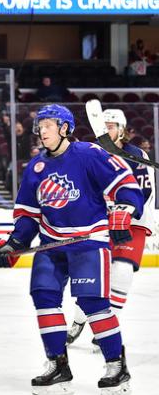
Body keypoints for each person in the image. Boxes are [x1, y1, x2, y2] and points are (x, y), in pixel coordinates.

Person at [0, 104, 144, 394]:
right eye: (40, 125)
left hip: (88, 241)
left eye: (48, 125)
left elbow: (125, 183)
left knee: (92, 303)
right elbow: (27, 215)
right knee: (43, 297)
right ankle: (58, 365)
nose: (41, 130)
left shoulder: (88, 153)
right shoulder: (37, 167)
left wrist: (123, 210)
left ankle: (116, 367)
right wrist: (13, 244)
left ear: (64, 128)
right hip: (51, 243)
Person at [67, 109, 155, 345]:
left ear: (122, 129)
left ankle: (107, 327)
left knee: (122, 272)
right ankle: (79, 318)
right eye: (103, 126)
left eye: (112, 126)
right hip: (100, 223)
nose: (107, 130)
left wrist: (124, 212)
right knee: (91, 276)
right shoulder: (91, 155)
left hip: (132, 223)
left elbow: (144, 191)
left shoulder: (137, 155)